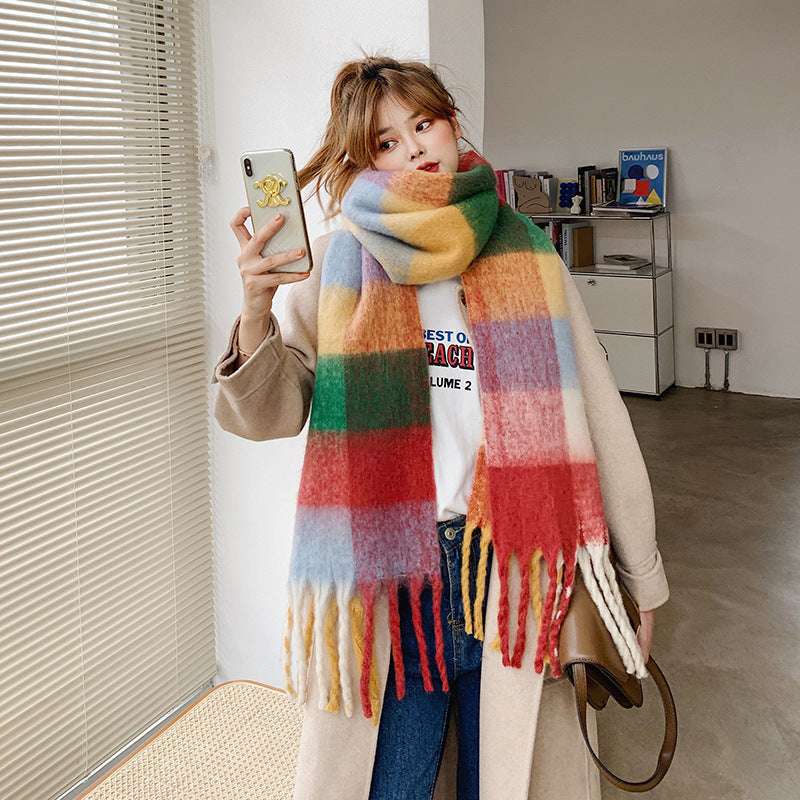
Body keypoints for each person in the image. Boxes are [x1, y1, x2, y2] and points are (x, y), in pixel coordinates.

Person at [212, 55, 669, 800]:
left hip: (513, 570)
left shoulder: (528, 251)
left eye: (423, 123)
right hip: (393, 579)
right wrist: (256, 308)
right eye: (386, 141)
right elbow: (273, 413)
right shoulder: (339, 260)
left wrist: (639, 578)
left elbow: (600, 417)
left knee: (506, 782)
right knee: (392, 784)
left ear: (452, 123)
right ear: (365, 160)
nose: (415, 148)